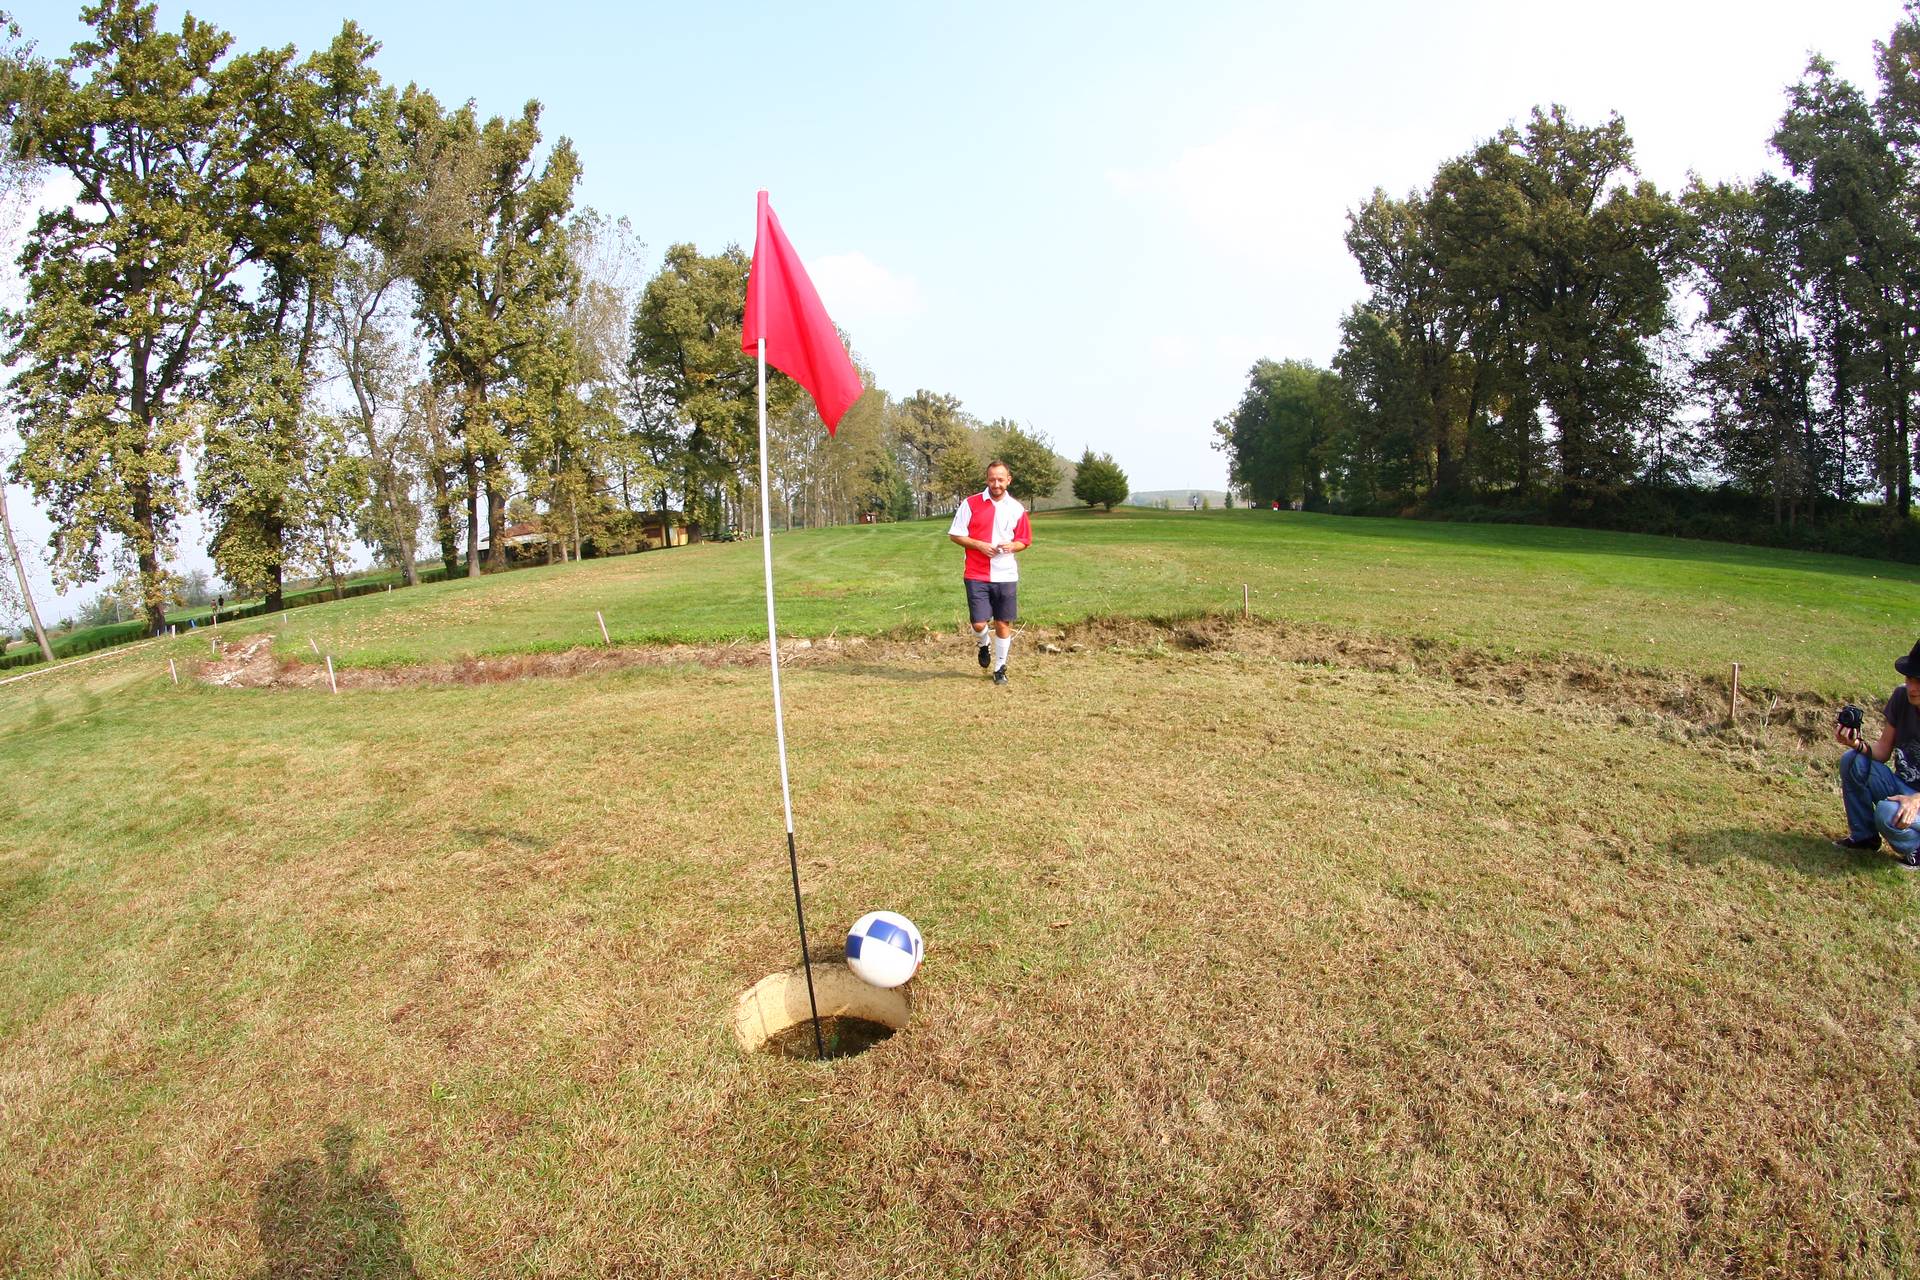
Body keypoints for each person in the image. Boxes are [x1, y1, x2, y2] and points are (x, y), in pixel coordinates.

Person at [1833, 638, 1920, 869]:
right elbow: (1882, 751)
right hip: (1903, 787)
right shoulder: (1902, 698)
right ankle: (1864, 837)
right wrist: (1855, 744)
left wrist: (1915, 800)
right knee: (1852, 762)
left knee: (1887, 813)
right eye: (1910, 678)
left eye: (1919, 681)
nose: (1912, 687)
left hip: (1916, 799)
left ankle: (1916, 850)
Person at [947, 460, 1030, 686]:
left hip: (1006, 575)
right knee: (979, 624)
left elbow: (1024, 540)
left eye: (1000, 479)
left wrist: (1014, 546)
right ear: (987, 479)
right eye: (992, 479)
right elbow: (955, 535)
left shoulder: (1016, 508)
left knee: (1003, 623)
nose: (996, 484)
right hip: (976, 574)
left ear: (1008, 480)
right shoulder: (970, 504)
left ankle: (1000, 667)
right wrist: (979, 545)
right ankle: (983, 645)